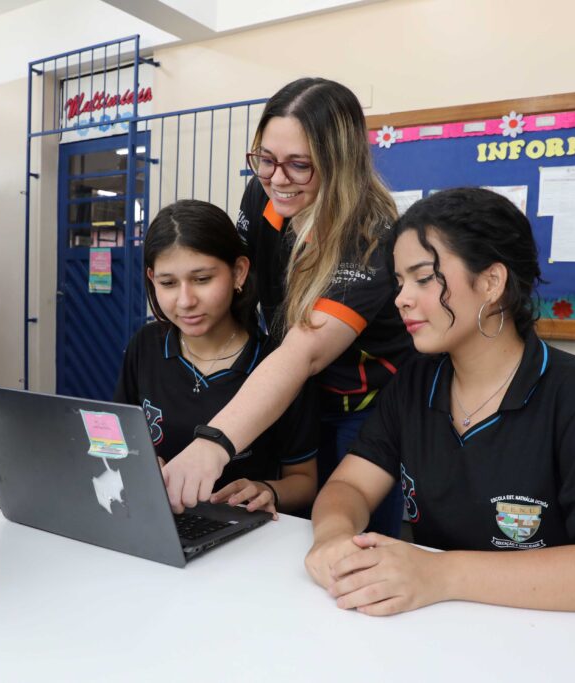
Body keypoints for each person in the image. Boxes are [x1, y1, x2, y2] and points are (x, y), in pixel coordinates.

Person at [304, 187, 575, 615]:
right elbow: (348, 486)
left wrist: (441, 574)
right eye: (399, 282)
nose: (401, 298)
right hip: (439, 625)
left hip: (553, 631)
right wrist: (333, 537)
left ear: (492, 282)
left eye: (423, 278)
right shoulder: (415, 383)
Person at [161, 78, 414, 535]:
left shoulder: (370, 237)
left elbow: (304, 352)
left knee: (352, 533)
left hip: (362, 407)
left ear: (339, 163)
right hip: (293, 393)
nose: (278, 179)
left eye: (299, 165)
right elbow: (238, 283)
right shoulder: (265, 196)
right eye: (265, 159)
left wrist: (214, 443)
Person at [114, 199, 317, 517]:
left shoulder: (278, 364)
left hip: (242, 532)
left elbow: (305, 481)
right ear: (152, 278)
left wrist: (267, 490)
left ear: (238, 272)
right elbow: (115, 442)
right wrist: (136, 461)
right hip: (156, 522)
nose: (185, 301)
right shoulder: (146, 346)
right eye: (168, 283)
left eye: (202, 279)